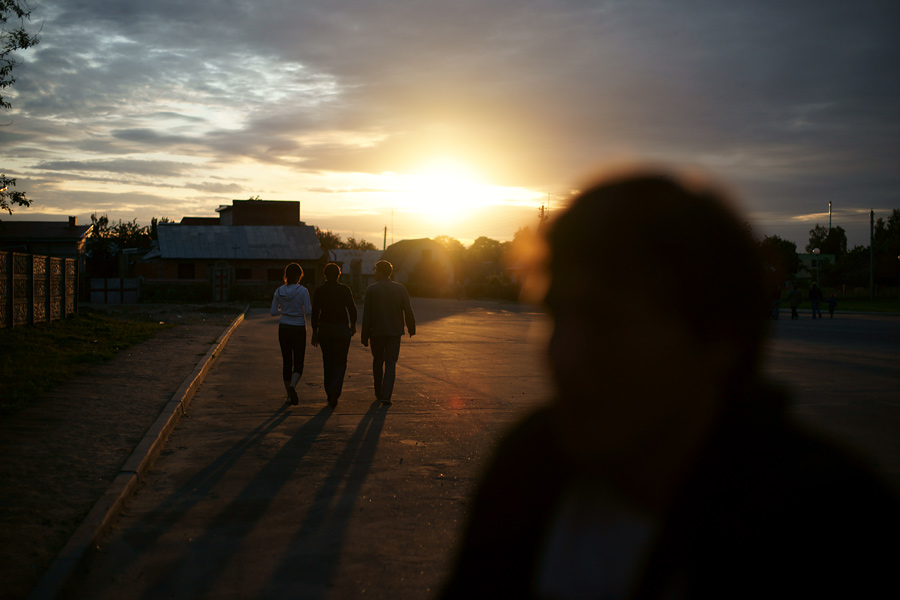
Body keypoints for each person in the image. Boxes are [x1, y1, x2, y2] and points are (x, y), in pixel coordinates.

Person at [441, 167, 899, 599]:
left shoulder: (830, 527)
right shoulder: (530, 464)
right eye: (557, 314)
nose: (564, 355)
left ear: (718, 338)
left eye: (608, 321)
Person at [361, 260, 416, 405]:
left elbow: (367, 315)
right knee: (391, 363)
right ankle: (386, 395)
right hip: (394, 333)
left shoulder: (372, 290)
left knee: (377, 361)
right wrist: (411, 328)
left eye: (376, 271)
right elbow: (408, 310)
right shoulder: (400, 289)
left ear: (380, 272)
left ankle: (378, 392)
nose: (375, 273)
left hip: (376, 333)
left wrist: (364, 335)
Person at [311, 262, 358, 407]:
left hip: (324, 329)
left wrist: (314, 332)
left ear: (325, 275)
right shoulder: (344, 289)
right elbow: (352, 308)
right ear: (339, 274)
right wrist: (353, 325)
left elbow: (315, 313)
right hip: (341, 328)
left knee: (328, 361)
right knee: (341, 361)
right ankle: (334, 390)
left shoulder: (320, 291)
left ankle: (329, 391)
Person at [270, 262, 311, 405]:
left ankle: (288, 395)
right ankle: (293, 386)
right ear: (299, 275)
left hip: (284, 328)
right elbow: (308, 312)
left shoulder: (279, 291)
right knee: (298, 361)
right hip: (298, 327)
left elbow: (273, 312)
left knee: (287, 361)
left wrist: (285, 310)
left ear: (286, 275)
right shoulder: (303, 291)